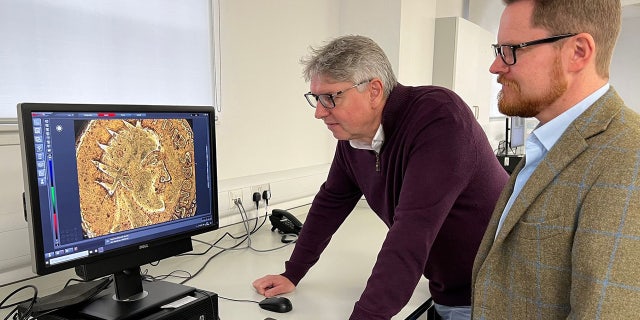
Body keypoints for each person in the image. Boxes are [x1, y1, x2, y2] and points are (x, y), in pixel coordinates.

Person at [252, 35, 509, 320]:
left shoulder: (440, 118)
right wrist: (293, 273)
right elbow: (330, 203)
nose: (319, 112)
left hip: (492, 292)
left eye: (330, 97)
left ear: (374, 90)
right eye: (316, 98)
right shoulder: (355, 139)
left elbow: (410, 233)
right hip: (447, 283)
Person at [471, 0, 640, 318]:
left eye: (511, 49)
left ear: (578, 52)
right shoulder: (548, 142)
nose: (496, 66)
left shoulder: (628, 160)